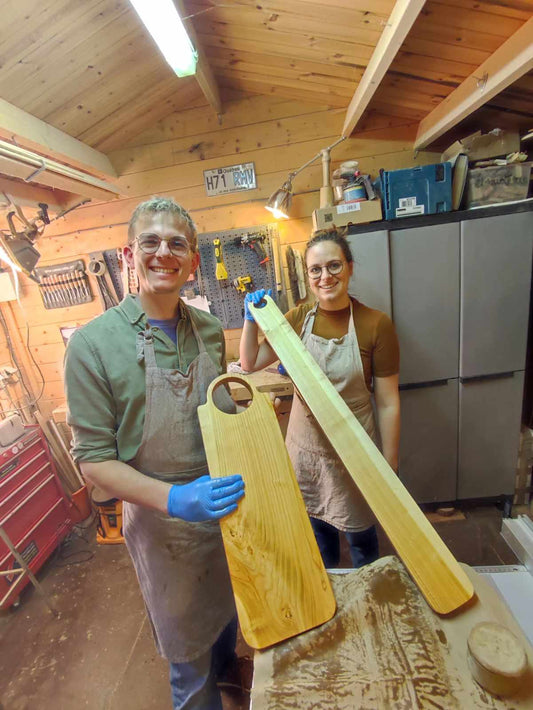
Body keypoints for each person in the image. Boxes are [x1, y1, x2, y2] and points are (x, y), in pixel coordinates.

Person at [64, 197, 246, 710]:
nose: (164, 252)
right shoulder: (93, 346)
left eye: (177, 244)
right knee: (189, 666)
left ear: (192, 264)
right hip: (164, 527)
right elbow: (94, 462)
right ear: (129, 254)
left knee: (228, 619)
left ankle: (230, 677)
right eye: (151, 241)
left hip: (222, 507)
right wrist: (176, 498)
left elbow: (219, 409)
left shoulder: (209, 329)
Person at [240, 227, 400, 569]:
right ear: (308, 275)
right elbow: (250, 362)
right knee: (320, 546)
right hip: (307, 452)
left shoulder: (376, 324)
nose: (325, 276)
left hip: (355, 450)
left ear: (350, 267)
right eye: (316, 270)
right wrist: (250, 321)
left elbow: (388, 402)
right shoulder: (297, 320)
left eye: (334, 266)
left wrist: (390, 462)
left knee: (363, 548)